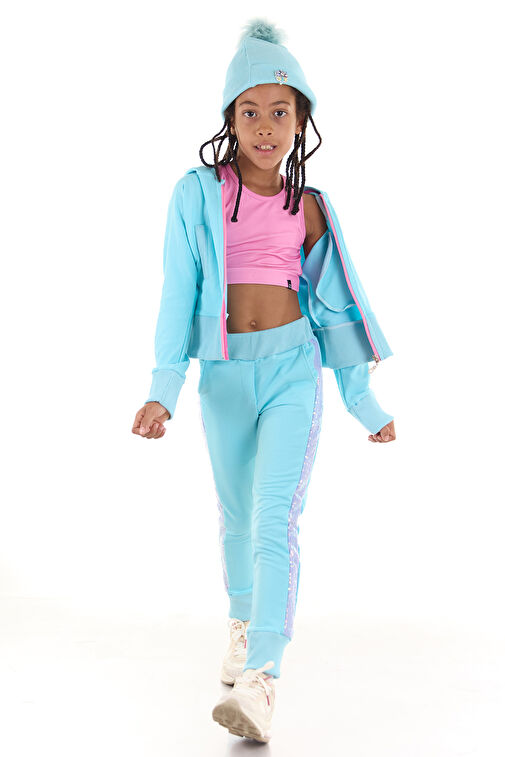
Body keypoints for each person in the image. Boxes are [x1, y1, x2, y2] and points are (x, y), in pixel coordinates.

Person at [132, 17, 396, 743]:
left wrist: (361, 400)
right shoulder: (196, 194)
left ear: (301, 120)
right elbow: (177, 293)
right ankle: (244, 623)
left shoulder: (308, 207)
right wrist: (162, 387)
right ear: (229, 119)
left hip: (291, 372)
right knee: (238, 516)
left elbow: (336, 308)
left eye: (280, 112)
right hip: (222, 375)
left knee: (276, 516)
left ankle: (262, 677)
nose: (265, 127)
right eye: (249, 112)